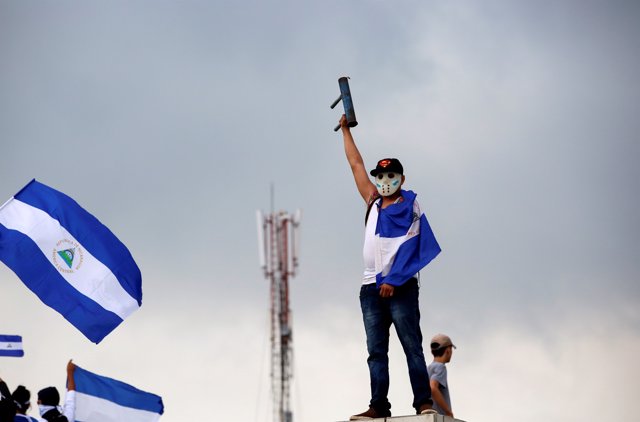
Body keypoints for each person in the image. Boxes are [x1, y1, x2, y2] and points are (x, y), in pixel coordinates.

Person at [339, 115, 442, 420]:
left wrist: (394, 279)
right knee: (376, 351)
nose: (384, 183)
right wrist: (345, 131)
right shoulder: (372, 201)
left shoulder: (409, 205)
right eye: (381, 177)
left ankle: (423, 401)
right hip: (370, 288)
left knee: (411, 345)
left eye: (390, 177)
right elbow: (356, 165)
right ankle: (378, 405)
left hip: (400, 287)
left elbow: (413, 245)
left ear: (401, 178)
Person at [428, 333, 456, 417]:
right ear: (448, 350)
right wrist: (448, 412)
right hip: (440, 416)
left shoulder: (428, 368)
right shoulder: (441, 367)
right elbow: (433, 387)